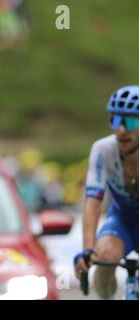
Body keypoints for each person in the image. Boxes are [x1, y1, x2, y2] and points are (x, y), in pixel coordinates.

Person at [74, 85, 139, 299]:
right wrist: (88, 248)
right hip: (123, 218)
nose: (120, 129)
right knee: (105, 255)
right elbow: (93, 201)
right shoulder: (103, 150)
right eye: (114, 120)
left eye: (129, 121)